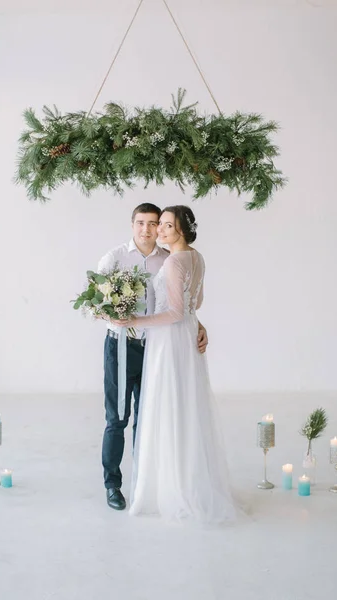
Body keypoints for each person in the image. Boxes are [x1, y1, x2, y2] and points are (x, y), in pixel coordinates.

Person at [113, 205, 235, 523]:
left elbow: (175, 313)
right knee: (186, 404)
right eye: (160, 225)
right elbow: (196, 303)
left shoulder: (172, 262)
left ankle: (170, 485)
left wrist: (134, 320)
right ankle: (187, 476)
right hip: (186, 337)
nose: (160, 231)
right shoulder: (197, 257)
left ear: (181, 229)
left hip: (168, 340)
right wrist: (197, 323)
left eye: (167, 226)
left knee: (166, 404)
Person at [98, 203, 209, 511]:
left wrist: (199, 327)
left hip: (157, 348)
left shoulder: (168, 257)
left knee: (149, 419)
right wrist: (115, 315)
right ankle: (113, 485)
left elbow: (183, 305)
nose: (149, 229)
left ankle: (145, 483)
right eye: (142, 223)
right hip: (122, 346)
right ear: (132, 225)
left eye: (156, 223)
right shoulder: (115, 257)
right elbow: (95, 301)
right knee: (117, 418)